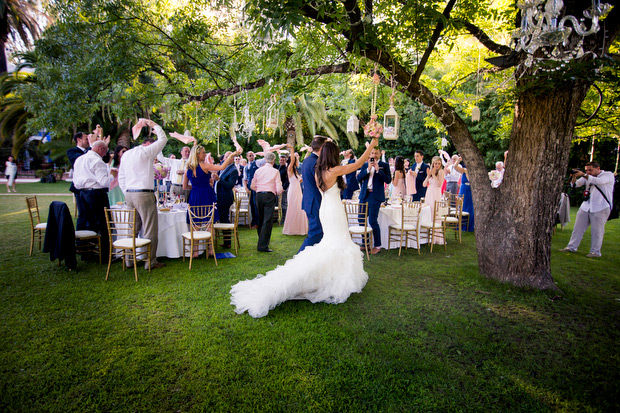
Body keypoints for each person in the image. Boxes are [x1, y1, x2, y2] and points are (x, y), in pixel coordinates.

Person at [230, 137, 379, 318]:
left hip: (326, 208)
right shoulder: (333, 170)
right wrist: (370, 146)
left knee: (330, 243)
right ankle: (324, 277)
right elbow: (358, 164)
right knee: (335, 243)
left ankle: (329, 274)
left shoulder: (319, 170)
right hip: (333, 210)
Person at [119, 118, 174, 270]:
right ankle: (150, 261)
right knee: (150, 228)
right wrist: (153, 125)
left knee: (133, 228)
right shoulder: (146, 151)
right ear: (149, 145)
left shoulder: (126, 154)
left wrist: (126, 192)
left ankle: (129, 259)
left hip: (129, 194)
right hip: (144, 194)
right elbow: (163, 139)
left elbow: (121, 177)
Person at [183, 146, 240, 256]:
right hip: (207, 195)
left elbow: (185, 187)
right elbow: (222, 166)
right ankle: (210, 250)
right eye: (203, 153)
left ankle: (195, 252)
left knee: (195, 225)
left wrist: (195, 188)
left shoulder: (187, 168)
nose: (205, 155)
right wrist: (232, 155)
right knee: (210, 224)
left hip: (194, 196)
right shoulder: (204, 166)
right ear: (197, 154)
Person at [560, 161, 614, 257]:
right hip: (586, 206)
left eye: (590, 170)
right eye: (586, 170)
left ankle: (595, 252)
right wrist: (574, 176)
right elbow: (576, 185)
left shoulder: (608, 175)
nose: (588, 172)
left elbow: (598, 181)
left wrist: (584, 175)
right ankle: (571, 247)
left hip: (601, 206)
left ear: (598, 168)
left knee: (597, 231)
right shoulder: (587, 177)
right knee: (577, 228)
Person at [73, 140, 114, 259]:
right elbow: (104, 182)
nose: (105, 155)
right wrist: (112, 175)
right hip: (96, 194)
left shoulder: (80, 159)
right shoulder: (97, 161)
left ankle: (86, 251)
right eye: (105, 152)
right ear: (101, 149)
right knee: (104, 223)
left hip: (82, 193)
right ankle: (105, 254)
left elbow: (76, 181)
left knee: (87, 222)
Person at [357, 145, 392, 255]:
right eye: (372, 153)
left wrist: (378, 170)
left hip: (375, 197)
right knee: (361, 220)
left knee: (372, 221)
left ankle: (377, 245)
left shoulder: (384, 165)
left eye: (376, 153)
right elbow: (358, 178)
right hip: (364, 195)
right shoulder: (365, 165)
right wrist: (368, 170)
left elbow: (388, 180)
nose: (374, 155)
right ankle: (365, 243)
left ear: (380, 154)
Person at [251, 152, 283, 252]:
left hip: (259, 195)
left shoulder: (258, 171)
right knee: (267, 220)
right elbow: (279, 187)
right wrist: (278, 192)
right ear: (274, 160)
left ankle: (262, 242)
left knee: (260, 219)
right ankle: (263, 245)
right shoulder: (275, 171)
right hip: (269, 195)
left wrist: (259, 189)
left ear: (265, 159)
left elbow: (252, 185)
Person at [215, 151, 239, 249]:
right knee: (221, 218)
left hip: (225, 197)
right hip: (218, 195)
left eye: (229, 157)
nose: (227, 158)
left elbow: (230, 185)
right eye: (226, 156)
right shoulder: (221, 166)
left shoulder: (233, 170)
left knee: (224, 218)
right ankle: (223, 240)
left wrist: (219, 180)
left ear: (232, 159)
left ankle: (227, 242)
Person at [282, 145, 308, 235]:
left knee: (299, 208)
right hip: (293, 191)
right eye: (296, 160)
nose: (297, 161)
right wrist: (292, 149)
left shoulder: (296, 171)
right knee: (293, 208)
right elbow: (292, 160)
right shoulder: (289, 169)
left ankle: (298, 228)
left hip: (298, 191)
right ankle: (292, 229)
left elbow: (300, 180)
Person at [454, 159, 474, 232]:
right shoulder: (463, 170)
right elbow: (455, 166)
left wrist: (467, 172)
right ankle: (461, 225)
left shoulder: (473, 172)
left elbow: (470, 180)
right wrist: (458, 160)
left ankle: (469, 226)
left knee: (470, 208)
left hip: (470, 190)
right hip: (463, 189)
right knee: (462, 206)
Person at [244, 151, 260, 229]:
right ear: (247, 157)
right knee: (251, 205)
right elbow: (245, 178)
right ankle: (252, 221)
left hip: (256, 187)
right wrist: (246, 188)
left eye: (252, 155)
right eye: (250, 155)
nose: (251, 157)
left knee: (255, 204)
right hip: (249, 188)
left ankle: (257, 222)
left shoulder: (257, 164)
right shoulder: (246, 167)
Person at [278, 153, 289, 221]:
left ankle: (284, 218)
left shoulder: (286, 169)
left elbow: (288, 180)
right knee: (277, 203)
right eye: (281, 160)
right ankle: (276, 218)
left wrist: (284, 188)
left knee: (284, 204)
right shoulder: (278, 168)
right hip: (278, 188)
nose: (282, 161)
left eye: (283, 160)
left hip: (284, 189)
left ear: (285, 161)